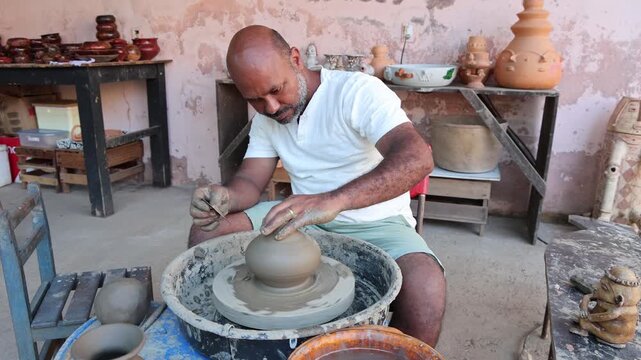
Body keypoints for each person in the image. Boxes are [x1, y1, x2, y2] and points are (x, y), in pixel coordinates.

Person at [189, 25, 445, 347]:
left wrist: (333, 200)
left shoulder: (357, 92)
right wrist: (225, 196)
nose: (270, 107)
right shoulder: (268, 120)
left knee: (426, 288)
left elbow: (417, 158)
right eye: (254, 100)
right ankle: (235, 332)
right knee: (206, 232)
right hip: (300, 218)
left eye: (276, 90)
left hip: (377, 222)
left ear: (295, 59)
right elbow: (250, 181)